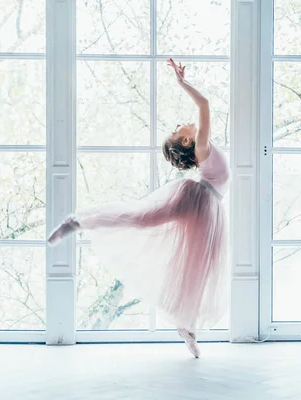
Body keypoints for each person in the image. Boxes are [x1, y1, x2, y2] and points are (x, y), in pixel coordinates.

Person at [47, 59, 230, 358]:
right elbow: (205, 104)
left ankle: (187, 326)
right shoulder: (201, 146)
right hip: (199, 199)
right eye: (177, 130)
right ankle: (78, 221)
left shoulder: (200, 149)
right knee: (141, 219)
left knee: (197, 266)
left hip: (209, 206)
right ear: (187, 140)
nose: (178, 124)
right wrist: (183, 84)